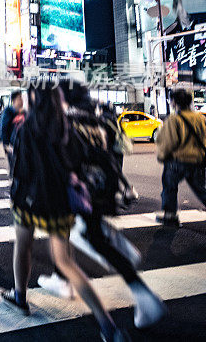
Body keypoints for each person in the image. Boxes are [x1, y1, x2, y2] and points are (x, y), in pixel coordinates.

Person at [0, 86, 127, 342]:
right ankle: (108, 325)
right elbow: (77, 165)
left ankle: (20, 297)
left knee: (23, 247)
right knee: (66, 262)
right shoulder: (67, 129)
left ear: (34, 99)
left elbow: (20, 171)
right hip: (58, 205)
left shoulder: (26, 129)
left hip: (29, 202)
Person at [63, 82, 167, 329]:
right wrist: (121, 185)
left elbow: (68, 157)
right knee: (86, 234)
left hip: (83, 189)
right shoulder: (95, 119)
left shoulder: (68, 121)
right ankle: (65, 275)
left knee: (91, 237)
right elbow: (108, 155)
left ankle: (141, 291)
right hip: (101, 187)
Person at [155, 88, 206, 227]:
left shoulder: (174, 119)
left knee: (169, 187)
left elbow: (167, 142)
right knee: (201, 189)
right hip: (198, 160)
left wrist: (162, 156)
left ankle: (170, 216)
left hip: (178, 161)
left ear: (174, 103)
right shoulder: (200, 118)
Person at [0, 90, 25, 173]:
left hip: (21, 145)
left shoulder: (24, 111)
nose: (22, 100)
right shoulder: (9, 111)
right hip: (11, 144)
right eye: (19, 98)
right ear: (14, 100)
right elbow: (4, 128)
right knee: (15, 167)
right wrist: (6, 144)